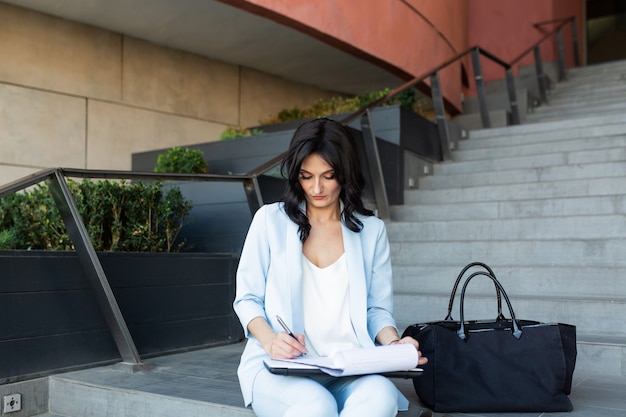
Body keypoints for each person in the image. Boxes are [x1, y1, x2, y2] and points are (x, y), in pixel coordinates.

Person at [233, 118, 427, 417]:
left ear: (345, 174)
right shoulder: (269, 221)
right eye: (306, 176)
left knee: (380, 399)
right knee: (315, 406)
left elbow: (376, 310)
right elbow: (247, 299)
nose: (316, 188)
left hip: (352, 366)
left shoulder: (371, 231)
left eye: (328, 176)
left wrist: (395, 344)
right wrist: (272, 341)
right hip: (283, 368)